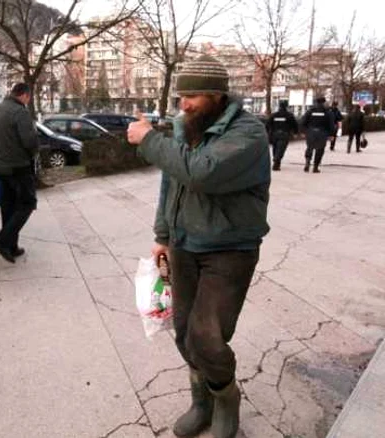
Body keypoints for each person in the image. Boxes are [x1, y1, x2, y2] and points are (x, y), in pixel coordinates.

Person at [127, 55, 270, 438]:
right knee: (184, 332)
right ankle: (201, 400)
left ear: (217, 95)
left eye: (192, 96)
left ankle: (226, 398)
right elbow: (172, 182)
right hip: (184, 244)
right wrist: (162, 235)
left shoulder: (249, 133)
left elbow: (201, 172)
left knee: (207, 335)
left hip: (229, 248)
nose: (183, 104)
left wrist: (149, 140)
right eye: (180, 96)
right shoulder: (184, 124)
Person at [0, 83, 38, 263]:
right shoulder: (20, 112)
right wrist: (34, 152)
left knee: (8, 206)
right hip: (18, 166)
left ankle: (11, 246)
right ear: (24, 95)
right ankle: (2, 241)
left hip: (0, 167)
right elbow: (29, 141)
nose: (28, 100)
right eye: (29, 97)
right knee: (27, 203)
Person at [301, 97, 334, 173]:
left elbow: (303, 121)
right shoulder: (328, 112)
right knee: (320, 149)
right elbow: (331, 124)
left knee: (309, 147)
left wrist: (303, 131)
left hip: (311, 132)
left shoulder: (310, 111)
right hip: (322, 133)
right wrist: (331, 135)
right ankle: (315, 167)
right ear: (324, 102)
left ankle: (307, 162)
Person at [266, 100, 298, 171]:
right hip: (284, 134)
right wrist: (295, 133)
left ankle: (276, 161)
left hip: (274, 134)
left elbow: (268, 124)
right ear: (286, 106)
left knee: (275, 148)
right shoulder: (289, 115)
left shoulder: (274, 115)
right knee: (281, 149)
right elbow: (294, 125)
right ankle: (277, 161)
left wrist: (267, 132)